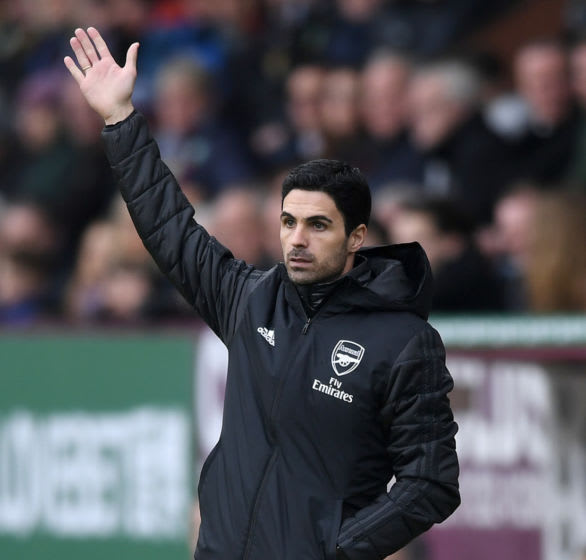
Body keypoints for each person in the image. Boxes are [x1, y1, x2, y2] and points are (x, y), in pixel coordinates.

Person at [65, 27, 459, 560]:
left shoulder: (405, 341)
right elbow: (171, 230)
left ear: (357, 238)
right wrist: (119, 119)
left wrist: (336, 550)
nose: (297, 238)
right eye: (288, 221)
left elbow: (431, 483)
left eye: (318, 225)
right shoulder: (251, 299)